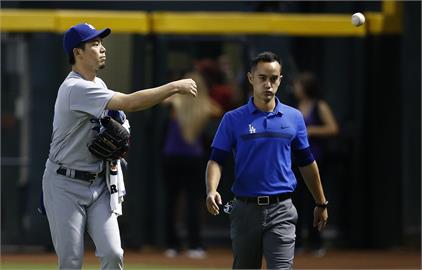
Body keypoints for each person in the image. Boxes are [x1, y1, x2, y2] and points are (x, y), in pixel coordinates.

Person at [42, 23, 197, 270]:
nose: (102, 48)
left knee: (113, 253)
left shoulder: (98, 85)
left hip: (98, 182)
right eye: (94, 43)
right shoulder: (74, 88)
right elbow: (130, 103)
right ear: (77, 52)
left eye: (101, 43)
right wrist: (174, 86)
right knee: (71, 262)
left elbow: (121, 118)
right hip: (65, 184)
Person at [205, 51, 328, 269]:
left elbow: (307, 162)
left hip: (282, 209)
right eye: (262, 78)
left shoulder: (294, 118)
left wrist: (321, 202)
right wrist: (211, 189)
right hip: (244, 209)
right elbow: (216, 160)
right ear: (251, 78)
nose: (268, 84)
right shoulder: (233, 119)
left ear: (280, 80)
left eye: (273, 79)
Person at [161, 71, 222, 259]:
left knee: (174, 201)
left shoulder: (175, 101)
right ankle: (195, 245)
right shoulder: (204, 104)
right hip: (192, 158)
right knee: (192, 201)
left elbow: (164, 100)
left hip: (173, 157)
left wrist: (178, 91)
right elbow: (217, 110)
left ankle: (173, 245)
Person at [292, 72, 339, 256]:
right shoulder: (295, 108)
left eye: (298, 85)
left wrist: (312, 130)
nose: (295, 88)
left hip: (316, 160)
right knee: (295, 202)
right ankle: (297, 242)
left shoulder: (320, 106)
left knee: (315, 200)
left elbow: (333, 128)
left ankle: (316, 241)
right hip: (295, 161)